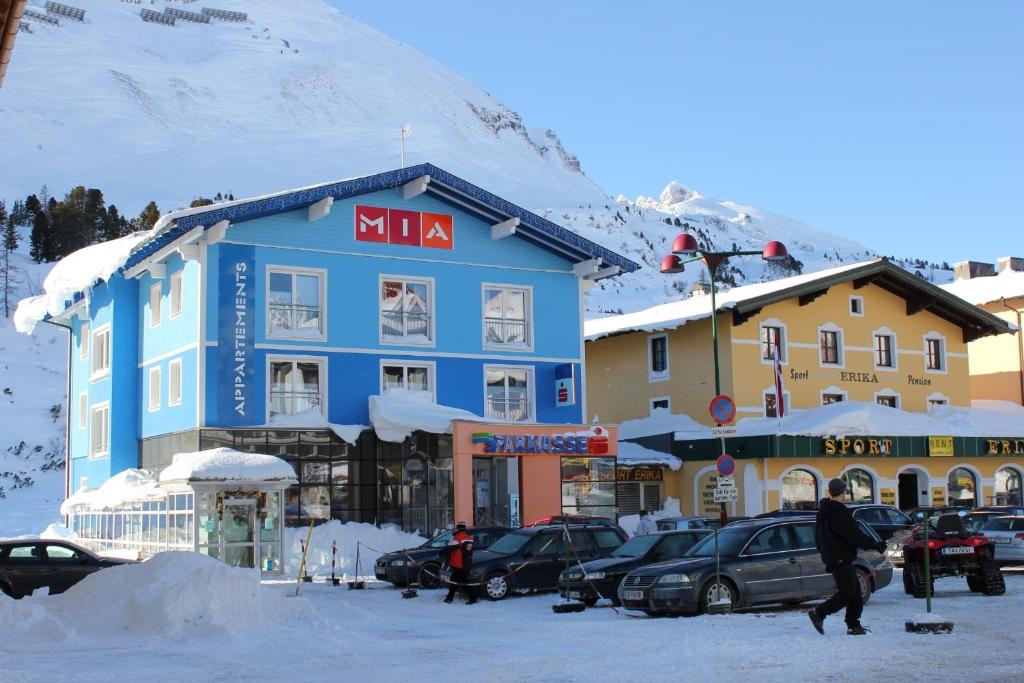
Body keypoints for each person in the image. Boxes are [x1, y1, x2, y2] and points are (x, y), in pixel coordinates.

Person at [808, 478, 886, 636]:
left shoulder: (824, 511)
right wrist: (874, 544)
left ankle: (853, 625)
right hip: (841, 557)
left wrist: (826, 553)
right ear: (843, 492)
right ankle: (820, 613)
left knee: (855, 593)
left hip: (836, 557)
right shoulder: (838, 511)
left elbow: (818, 537)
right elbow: (853, 535)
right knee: (847, 592)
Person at [443, 522, 477, 605]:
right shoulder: (469, 538)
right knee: (454, 581)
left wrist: (439, 555)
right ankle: (449, 598)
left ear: (458, 529)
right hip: (465, 563)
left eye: (456, 528)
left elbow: (448, 549)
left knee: (463, 582)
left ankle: (473, 598)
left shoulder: (457, 538)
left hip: (458, 564)